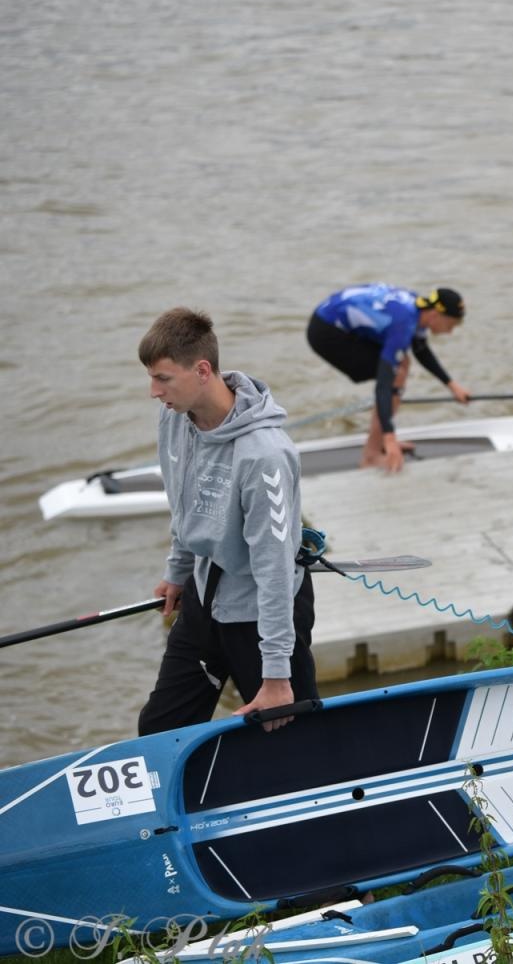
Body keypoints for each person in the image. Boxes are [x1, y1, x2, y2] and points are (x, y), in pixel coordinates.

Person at [137, 308, 315, 736]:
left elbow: (272, 569)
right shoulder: (175, 418)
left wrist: (276, 675)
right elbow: (182, 503)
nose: (153, 392)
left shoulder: (264, 455)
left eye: (162, 378)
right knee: (160, 729)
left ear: (201, 370)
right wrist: (177, 571)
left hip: (263, 610)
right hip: (205, 592)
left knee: (288, 736)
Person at [306, 285, 471, 472]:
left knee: (401, 365)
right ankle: (372, 455)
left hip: (330, 318)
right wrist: (390, 436)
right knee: (397, 372)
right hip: (325, 333)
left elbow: (420, 349)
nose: (450, 332)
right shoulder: (403, 324)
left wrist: (452, 385)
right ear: (435, 315)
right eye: (451, 325)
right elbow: (384, 384)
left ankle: (378, 443)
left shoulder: (417, 308)